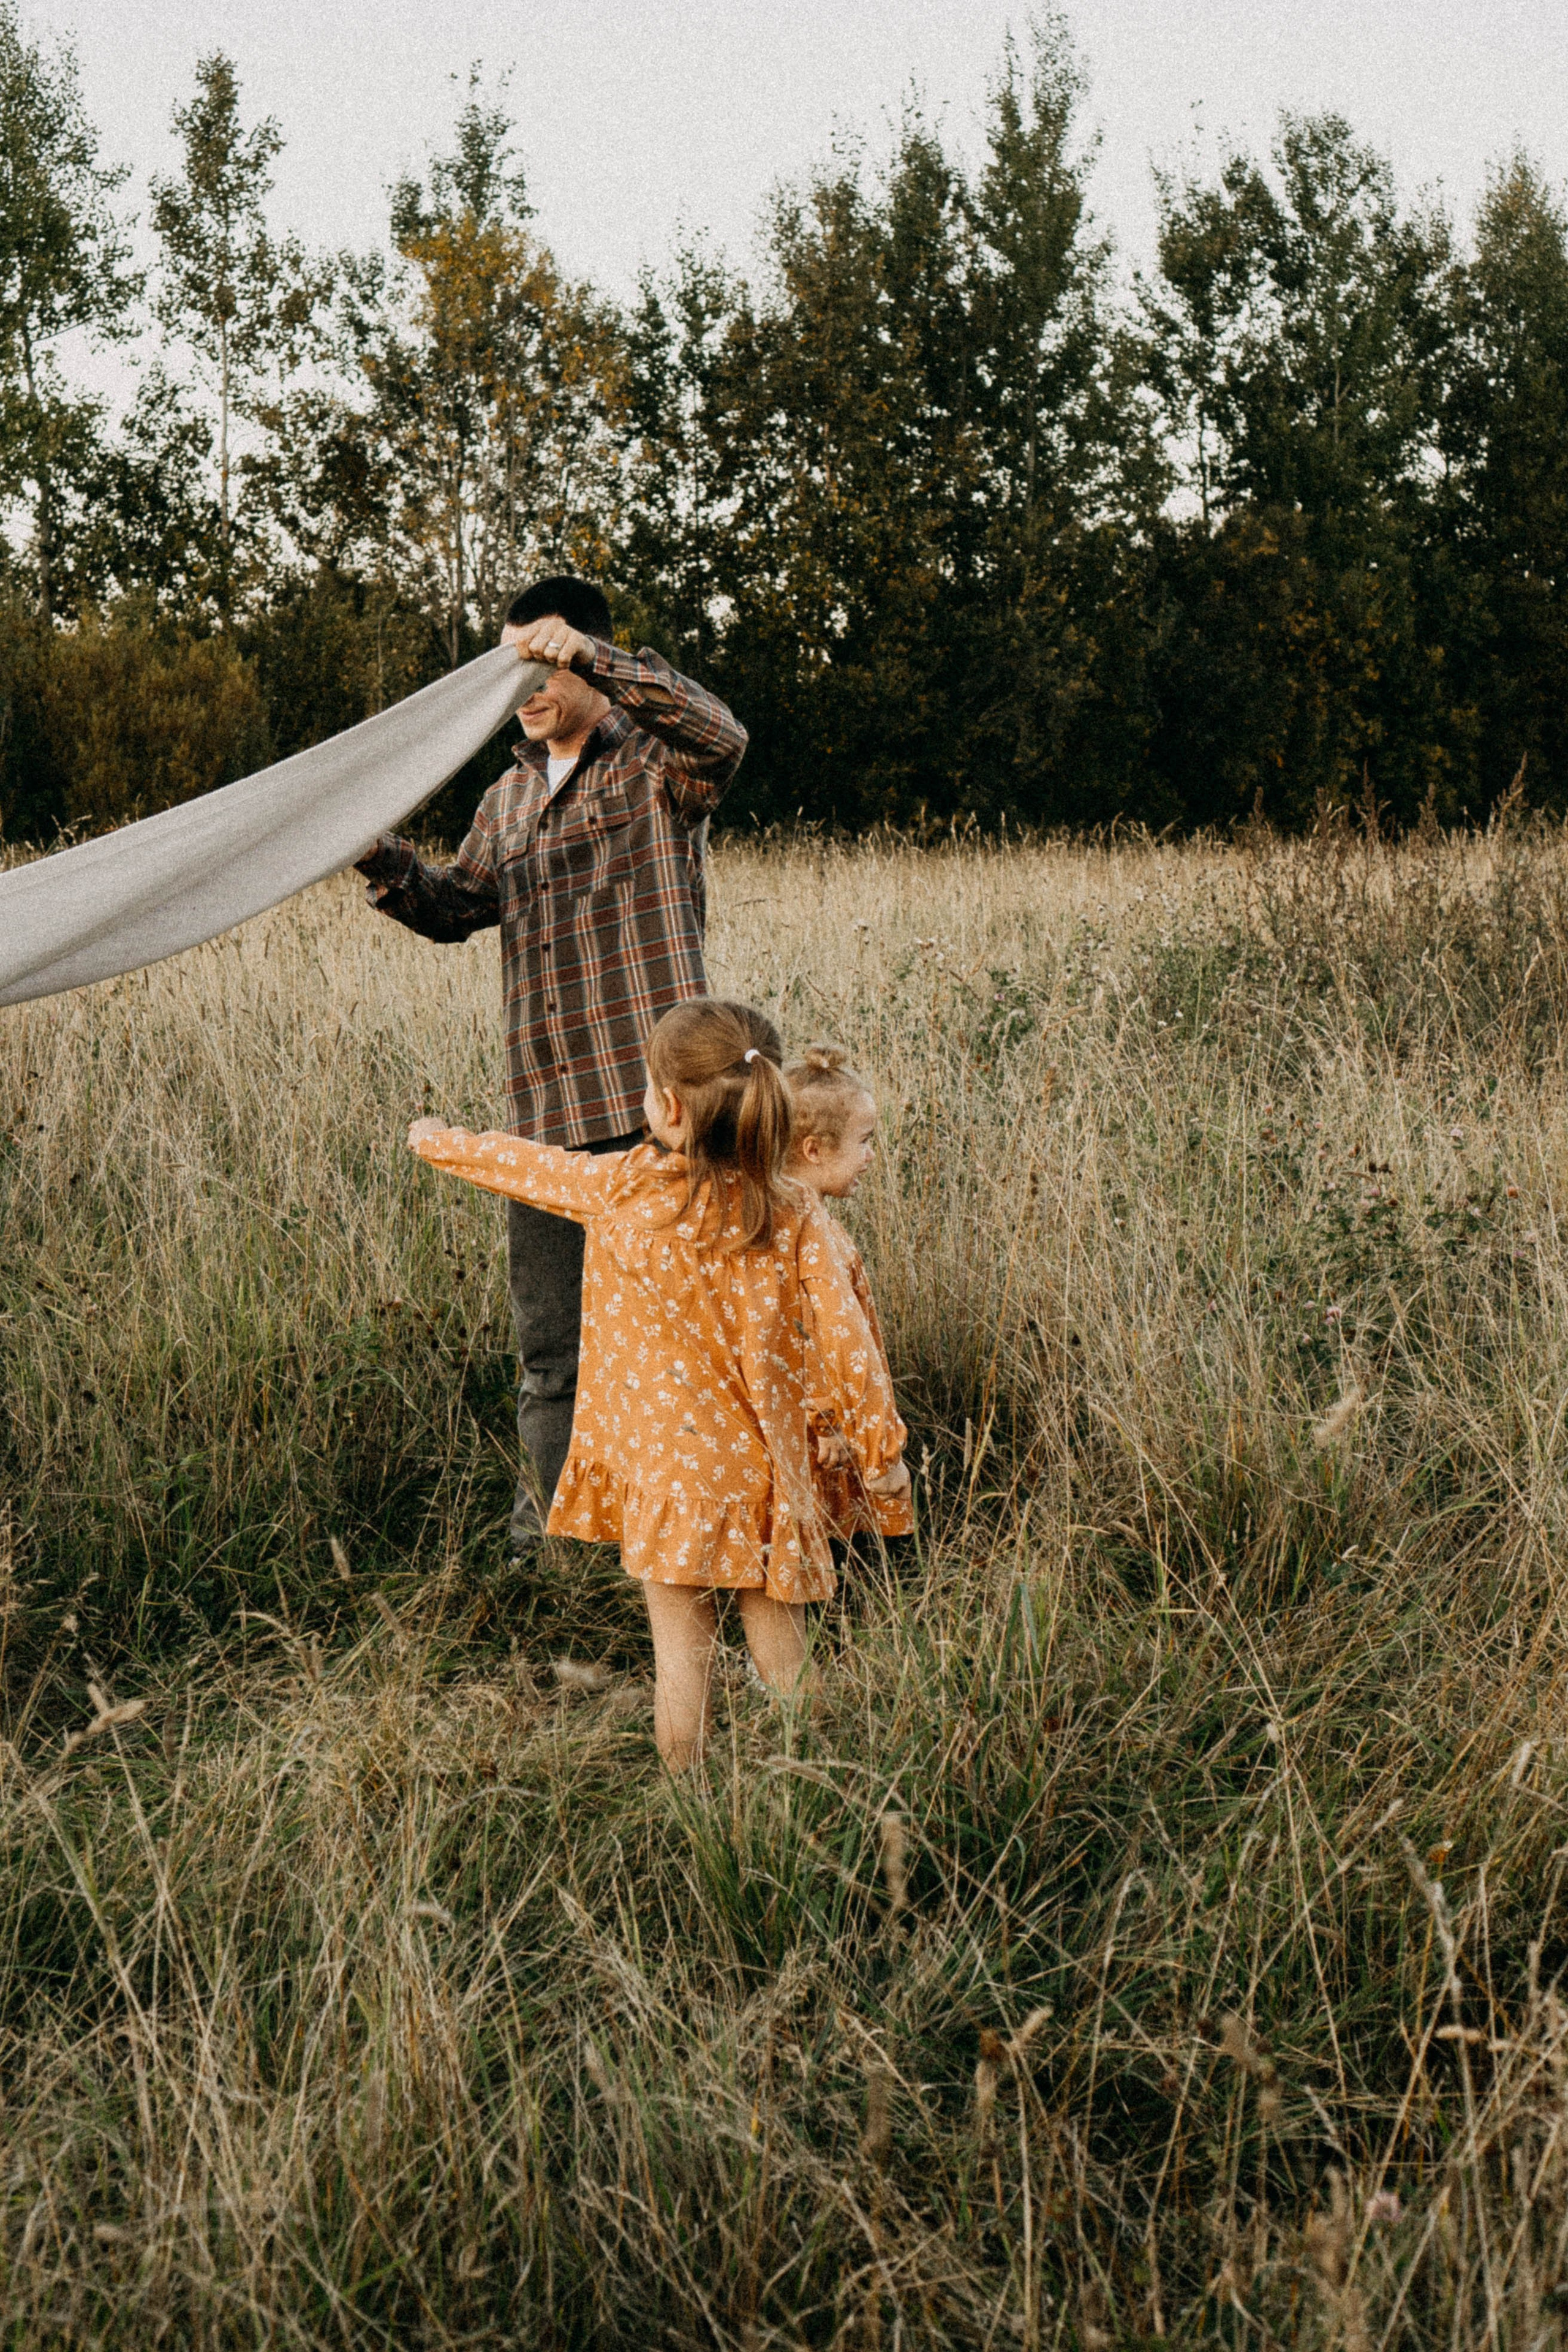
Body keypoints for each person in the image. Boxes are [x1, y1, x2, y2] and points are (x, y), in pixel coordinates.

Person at [406, 998, 911, 1770]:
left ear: (667, 1106)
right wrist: (882, 1456)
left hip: (668, 1480)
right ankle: (819, 1790)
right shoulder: (792, 1209)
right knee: (788, 1667)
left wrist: (440, 1143)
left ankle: (689, 1804)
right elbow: (851, 1346)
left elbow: (524, 1164)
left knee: (683, 1667)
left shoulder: (622, 1190)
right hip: (764, 1483)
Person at [356, 576, 748, 1557]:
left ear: (578, 655)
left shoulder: (660, 760)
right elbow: (458, 907)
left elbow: (725, 735)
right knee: (553, 1357)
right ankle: (565, 1555)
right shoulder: (508, 793)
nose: (521, 692)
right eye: (509, 672)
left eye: (534, 666)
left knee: (689, 1339)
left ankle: (700, 1540)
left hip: (662, 1111)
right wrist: (382, 861)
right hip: (544, 1113)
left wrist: (583, 650)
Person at [783, 1043, 914, 1546]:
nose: (871, 1156)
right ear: (814, 1150)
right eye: (864, 1142)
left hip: (822, 1421)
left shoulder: (810, 1222)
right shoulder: (805, 1234)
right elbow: (815, 1333)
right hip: (823, 1430)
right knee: (828, 1531)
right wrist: (828, 1418)